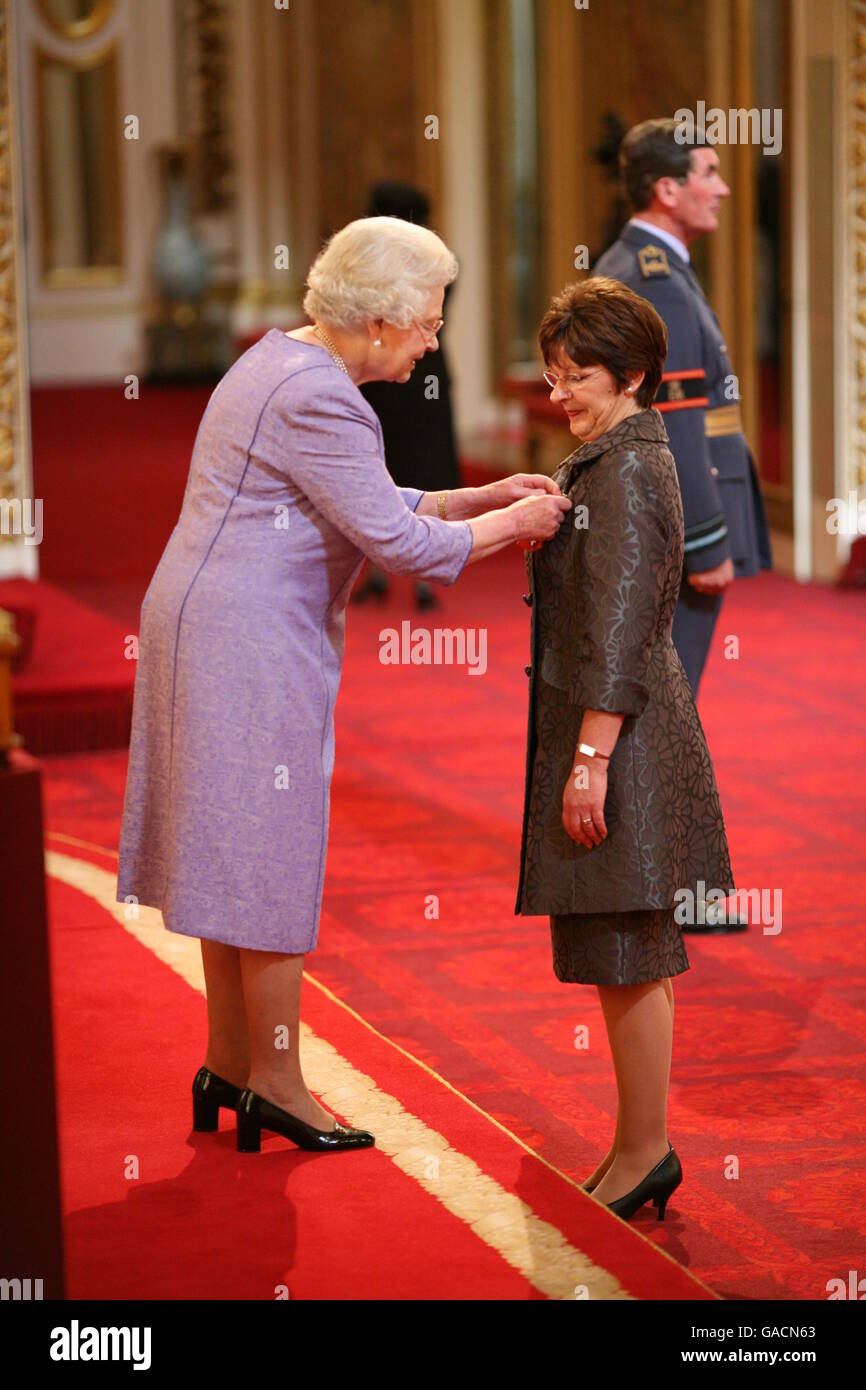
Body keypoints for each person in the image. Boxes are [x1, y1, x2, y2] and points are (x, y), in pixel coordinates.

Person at [117, 216, 570, 1156]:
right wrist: (520, 521)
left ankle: (230, 1066)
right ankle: (278, 1083)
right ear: (379, 320)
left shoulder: (279, 361)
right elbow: (399, 546)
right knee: (270, 854)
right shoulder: (323, 399)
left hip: (202, 622)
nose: (436, 338)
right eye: (431, 321)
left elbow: (365, 497)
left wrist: (477, 499)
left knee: (233, 851)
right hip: (244, 640)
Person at [515, 277, 733, 1221]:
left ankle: (647, 1148)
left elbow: (620, 632)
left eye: (580, 377)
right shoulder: (608, 454)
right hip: (618, 727)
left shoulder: (631, 468)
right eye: (554, 374)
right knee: (624, 946)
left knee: (632, 948)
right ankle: (637, 1144)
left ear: (633, 375)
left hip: (625, 740)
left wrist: (591, 762)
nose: (561, 393)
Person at [592, 118, 771, 700]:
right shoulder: (657, 278)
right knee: (665, 702)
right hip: (675, 529)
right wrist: (706, 540)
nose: (721, 189)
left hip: (649, 519)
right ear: (667, 190)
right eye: (709, 173)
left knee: (650, 695)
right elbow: (676, 423)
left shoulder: (633, 261)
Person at [356, 181, 460, 611]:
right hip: (423, 378)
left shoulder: (374, 272)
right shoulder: (439, 262)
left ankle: (390, 575)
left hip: (387, 374)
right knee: (420, 472)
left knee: (383, 469)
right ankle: (421, 581)